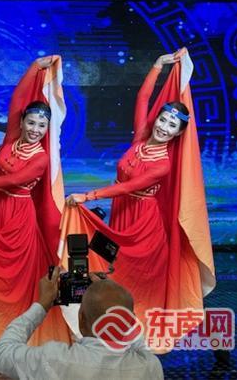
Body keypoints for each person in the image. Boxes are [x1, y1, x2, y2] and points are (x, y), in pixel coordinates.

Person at [63, 48, 215, 334]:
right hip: (122, 212)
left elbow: (129, 186)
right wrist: (157, 66)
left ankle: (138, 327)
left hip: (143, 222)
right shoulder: (141, 138)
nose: (164, 127)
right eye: (163, 119)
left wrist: (88, 196)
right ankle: (106, 323)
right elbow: (143, 99)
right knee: (111, 266)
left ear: (178, 133)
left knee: (134, 277)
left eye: (172, 125)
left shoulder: (163, 165)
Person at [0, 56, 71, 356]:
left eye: (42, 125)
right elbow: (17, 99)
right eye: (31, 122)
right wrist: (35, 67)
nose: (35, 129)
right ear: (21, 122)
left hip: (18, 218)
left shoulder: (41, 158)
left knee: (14, 279)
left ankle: (14, 336)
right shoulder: (11, 140)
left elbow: (14, 180)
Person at [0, 269, 164, 380]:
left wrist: (43, 304)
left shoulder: (54, 360)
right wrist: (109, 293)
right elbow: (139, 343)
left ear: (81, 321)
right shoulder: (149, 367)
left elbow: (2, 352)